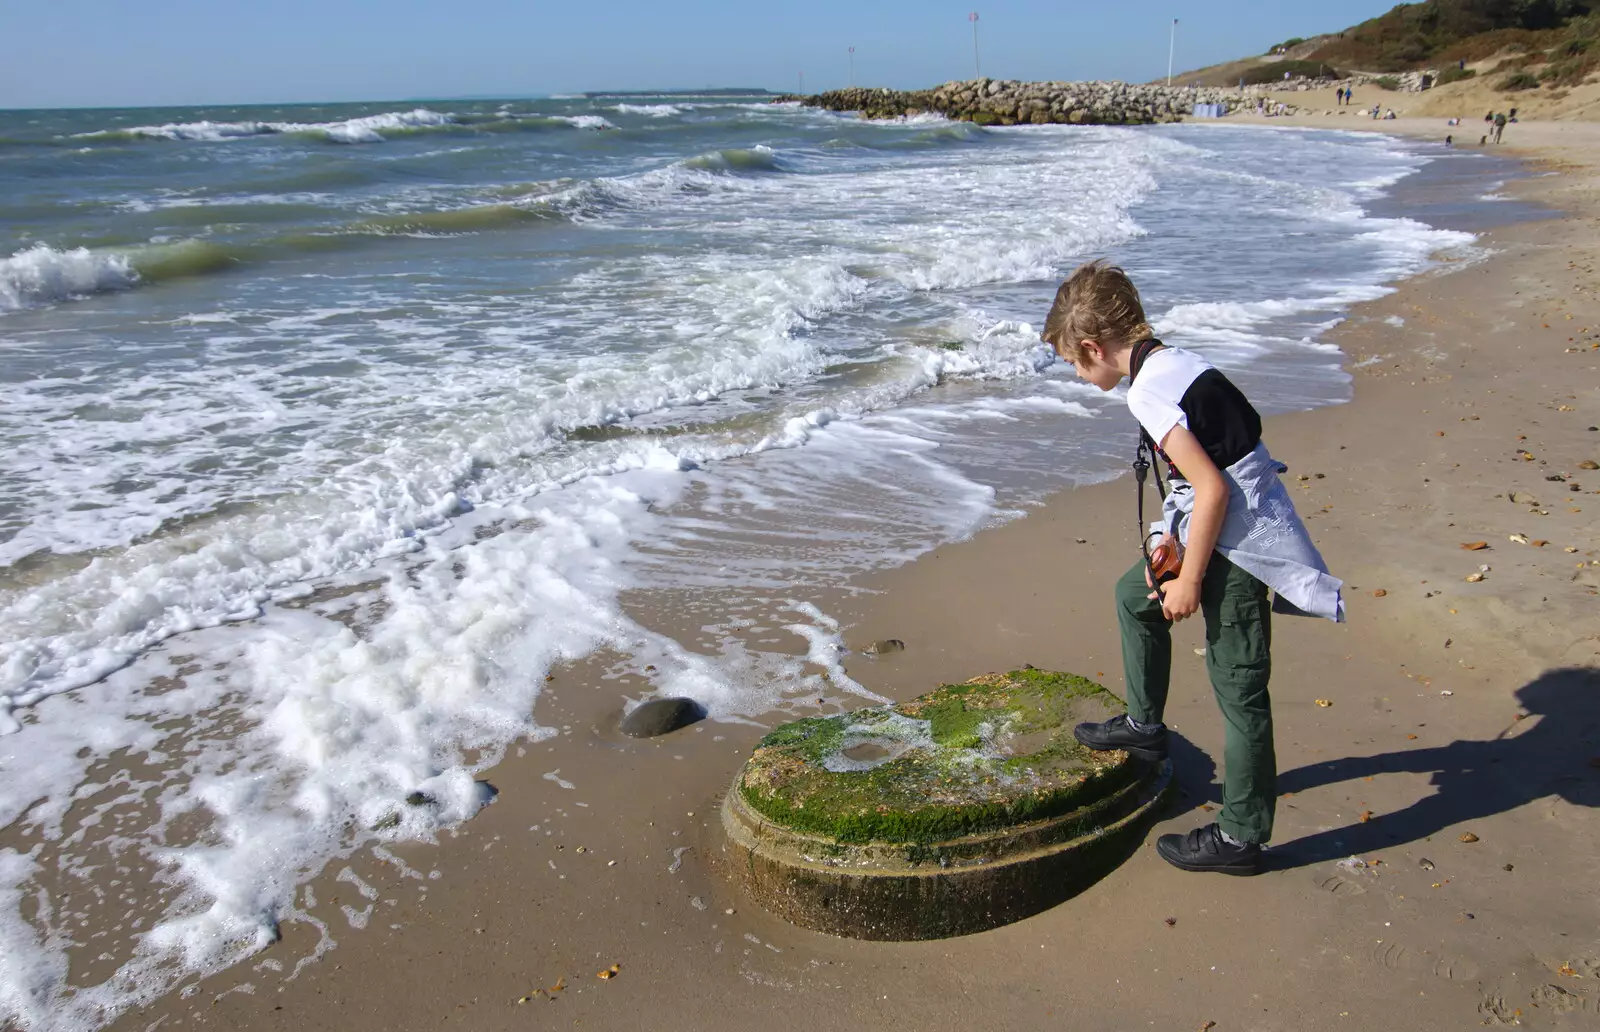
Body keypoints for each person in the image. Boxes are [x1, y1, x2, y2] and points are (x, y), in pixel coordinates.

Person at [1039, 261, 1344, 875]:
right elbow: (1203, 475)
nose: (1078, 373)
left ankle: (1241, 836)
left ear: (1095, 347)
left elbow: (1213, 488)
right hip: (1212, 522)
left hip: (1242, 545)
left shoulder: (1148, 392)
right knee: (1134, 595)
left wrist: (1190, 579)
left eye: (1075, 362)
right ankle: (1144, 723)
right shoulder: (1171, 361)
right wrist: (1165, 546)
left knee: (1240, 689)